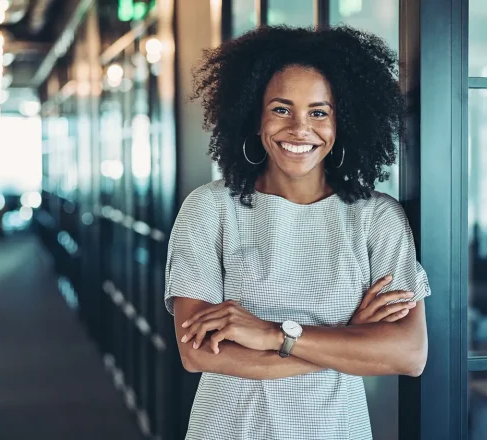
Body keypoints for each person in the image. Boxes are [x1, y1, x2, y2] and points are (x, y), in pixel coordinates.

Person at [163, 25, 431, 440]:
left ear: (343, 121)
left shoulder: (377, 218)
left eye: (319, 112)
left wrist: (271, 335)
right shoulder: (210, 209)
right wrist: (348, 342)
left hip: (337, 429)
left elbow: (409, 354)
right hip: (230, 428)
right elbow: (196, 353)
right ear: (255, 116)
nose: (300, 129)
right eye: (281, 109)